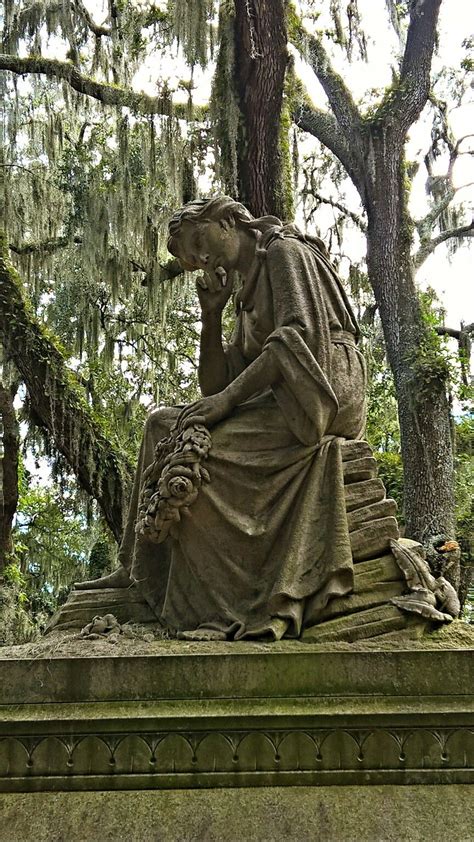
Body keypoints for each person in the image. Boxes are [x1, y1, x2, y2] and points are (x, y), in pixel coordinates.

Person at [77, 196, 366, 640]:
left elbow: (297, 337)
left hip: (322, 394)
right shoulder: (245, 289)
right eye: (190, 258)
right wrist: (210, 316)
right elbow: (216, 385)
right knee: (161, 424)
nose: (198, 258)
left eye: (198, 240)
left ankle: (224, 596)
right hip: (281, 397)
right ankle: (134, 566)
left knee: (198, 443)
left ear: (229, 220)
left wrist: (229, 401)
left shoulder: (285, 251)